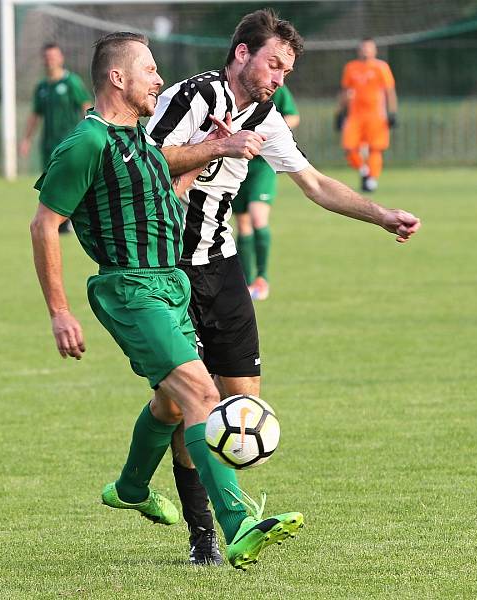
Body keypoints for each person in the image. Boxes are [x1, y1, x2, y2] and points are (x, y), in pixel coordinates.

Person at [146, 9, 420, 565]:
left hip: (221, 269)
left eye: (286, 71)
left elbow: (316, 184)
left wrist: (382, 214)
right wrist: (215, 148)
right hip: (167, 269)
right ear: (242, 53)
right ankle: (206, 537)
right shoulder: (191, 98)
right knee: (186, 406)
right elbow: (146, 163)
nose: (278, 78)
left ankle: (159, 492)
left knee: (242, 403)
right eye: (273, 63)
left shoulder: (266, 116)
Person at [29, 31, 304, 572]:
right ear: (118, 78)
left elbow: (171, 192)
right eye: (150, 70)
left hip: (171, 286)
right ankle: (237, 522)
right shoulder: (88, 143)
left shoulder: (140, 143)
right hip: (130, 290)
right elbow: (44, 224)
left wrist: (213, 153)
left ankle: (131, 487)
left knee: (171, 404)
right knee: (204, 394)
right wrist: (59, 312)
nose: (160, 80)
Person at [232, 85, 300, 300]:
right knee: (242, 224)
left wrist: (267, 132)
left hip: (262, 165)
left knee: (257, 218)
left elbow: (293, 116)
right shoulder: (230, 88)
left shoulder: (271, 86)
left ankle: (262, 278)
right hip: (236, 163)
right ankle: (247, 281)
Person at [21, 43, 92, 233]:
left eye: (53, 56)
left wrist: (91, 131)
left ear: (60, 58)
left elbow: (85, 105)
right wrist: (26, 139)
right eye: (47, 57)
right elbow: (35, 115)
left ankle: (70, 220)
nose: (50, 60)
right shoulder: (42, 87)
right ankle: (55, 221)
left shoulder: (71, 82)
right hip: (48, 144)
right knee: (50, 183)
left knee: (70, 181)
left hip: (69, 142)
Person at [336, 38, 398, 193]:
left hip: (376, 115)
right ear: (359, 50)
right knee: (349, 147)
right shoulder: (351, 67)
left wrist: (392, 112)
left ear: (374, 50)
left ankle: (371, 180)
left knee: (375, 149)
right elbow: (344, 92)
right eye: (363, 48)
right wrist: (339, 113)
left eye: (369, 48)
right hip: (355, 115)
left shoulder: (381, 67)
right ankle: (364, 170)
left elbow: (389, 91)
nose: (365, 51)